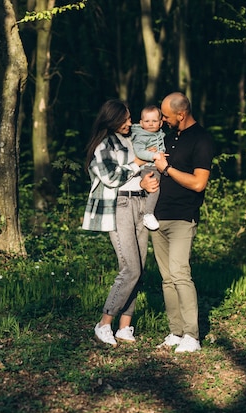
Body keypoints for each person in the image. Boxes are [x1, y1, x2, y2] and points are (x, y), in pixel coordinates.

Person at [82, 99, 159, 347]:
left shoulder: (131, 139)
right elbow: (112, 177)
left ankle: (124, 327)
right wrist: (137, 165)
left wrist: (146, 181)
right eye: (125, 119)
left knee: (140, 270)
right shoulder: (103, 145)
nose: (130, 122)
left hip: (140, 204)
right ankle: (104, 323)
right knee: (130, 269)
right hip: (119, 207)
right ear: (112, 119)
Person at [151, 92, 214, 353]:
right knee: (167, 279)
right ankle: (175, 332)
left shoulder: (202, 139)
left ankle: (192, 336)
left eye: (166, 116)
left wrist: (167, 169)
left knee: (180, 274)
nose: (162, 120)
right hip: (157, 217)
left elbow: (199, 183)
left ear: (181, 114)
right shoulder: (166, 137)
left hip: (182, 218)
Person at [130, 105, 166, 231]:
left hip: (156, 166)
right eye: (147, 121)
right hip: (148, 168)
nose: (150, 124)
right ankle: (148, 214)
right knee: (154, 188)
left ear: (161, 123)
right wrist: (154, 155)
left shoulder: (159, 134)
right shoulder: (141, 136)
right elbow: (139, 152)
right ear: (141, 123)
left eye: (154, 121)